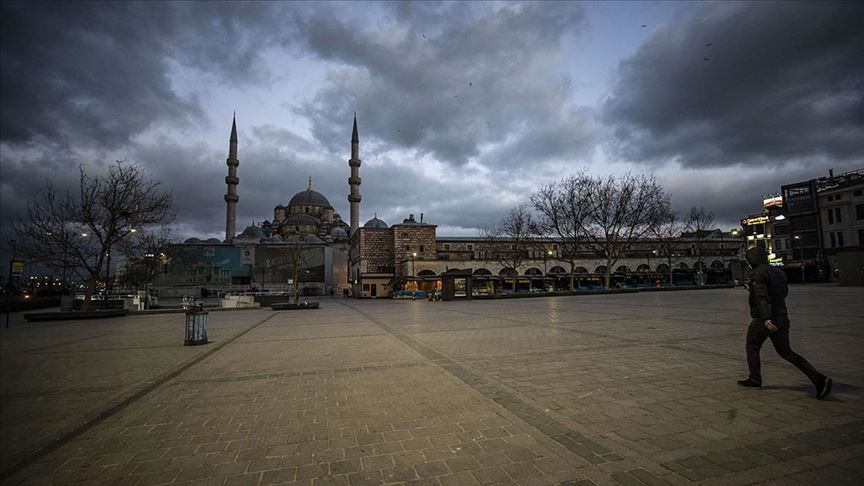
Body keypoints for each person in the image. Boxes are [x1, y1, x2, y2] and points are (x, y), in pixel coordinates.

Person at [738, 246, 832, 399]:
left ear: (752, 261)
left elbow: (762, 297)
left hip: (765, 318)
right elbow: (783, 293)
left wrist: (766, 318)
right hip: (782, 316)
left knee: (752, 346)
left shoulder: (757, 273)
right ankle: (819, 379)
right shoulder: (779, 272)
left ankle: (755, 379)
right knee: (786, 351)